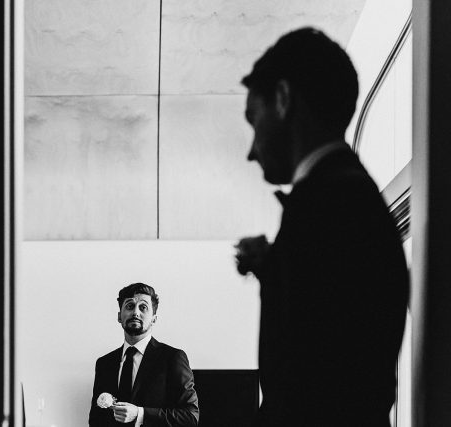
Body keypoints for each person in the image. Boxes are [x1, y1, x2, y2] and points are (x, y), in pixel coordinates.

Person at [235, 28, 409, 427]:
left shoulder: (329, 207)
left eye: (253, 119)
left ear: (282, 99)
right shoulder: (347, 197)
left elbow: (311, 392)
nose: (251, 150)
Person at [89, 283, 199, 426]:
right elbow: (96, 420)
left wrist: (140, 414)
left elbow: (190, 416)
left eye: (143, 307)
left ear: (154, 318)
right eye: (129, 306)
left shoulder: (172, 357)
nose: (135, 313)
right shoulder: (104, 363)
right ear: (119, 316)